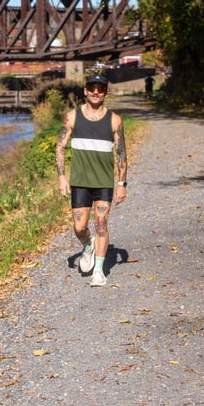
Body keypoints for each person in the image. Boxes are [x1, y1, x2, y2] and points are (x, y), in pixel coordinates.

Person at [56, 73, 128, 287]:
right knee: (79, 228)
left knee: (101, 224)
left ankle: (98, 270)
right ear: (85, 91)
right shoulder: (72, 117)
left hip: (103, 182)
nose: (96, 92)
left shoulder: (115, 120)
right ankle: (88, 246)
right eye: (92, 88)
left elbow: (122, 153)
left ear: (106, 92)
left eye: (100, 88)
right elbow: (60, 146)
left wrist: (121, 184)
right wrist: (61, 176)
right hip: (79, 181)